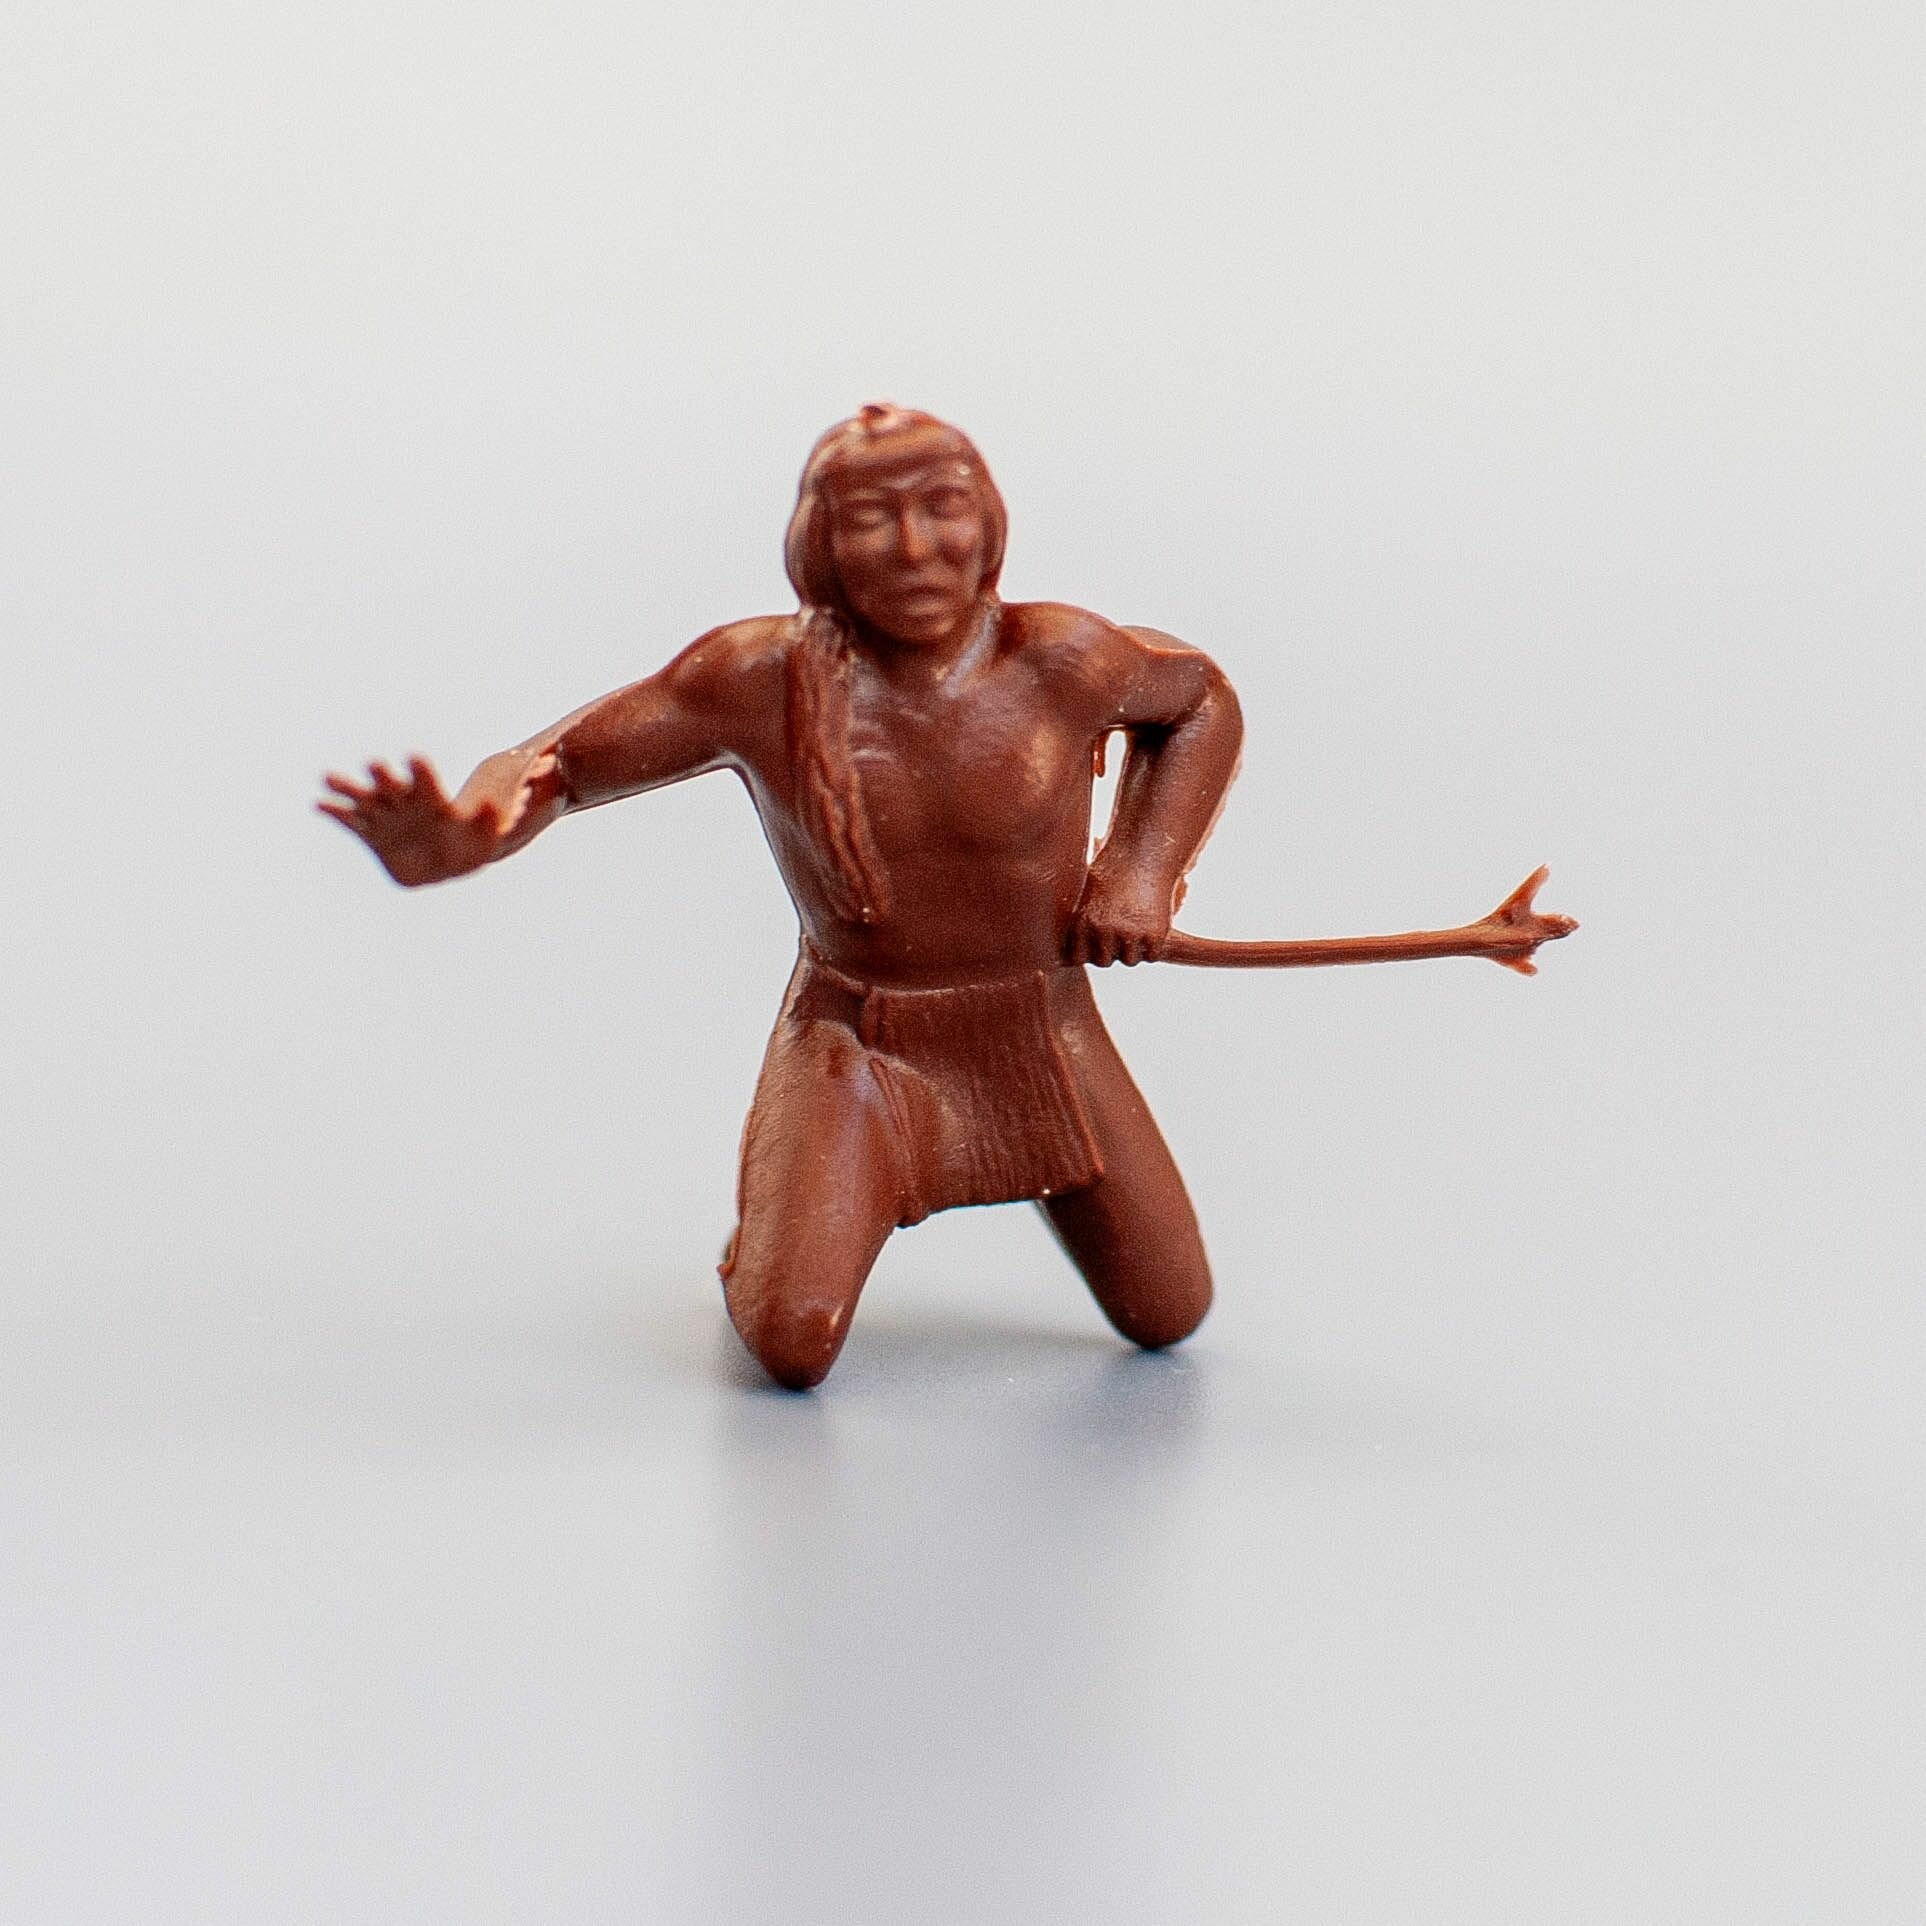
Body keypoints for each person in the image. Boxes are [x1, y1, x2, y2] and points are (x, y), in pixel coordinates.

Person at [321, 405, 1245, 1388]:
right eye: (872, 519)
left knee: (1170, 1310)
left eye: (943, 508)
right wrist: (474, 830)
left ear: (988, 525)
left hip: (1048, 1025)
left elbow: (1198, 702)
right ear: (820, 544)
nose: (915, 547)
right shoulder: (759, 679)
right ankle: (784, 1213)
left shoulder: (1064, 659)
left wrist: (1141, 871)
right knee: (794, 1340)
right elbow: (561, 762)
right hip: (860, 1040)